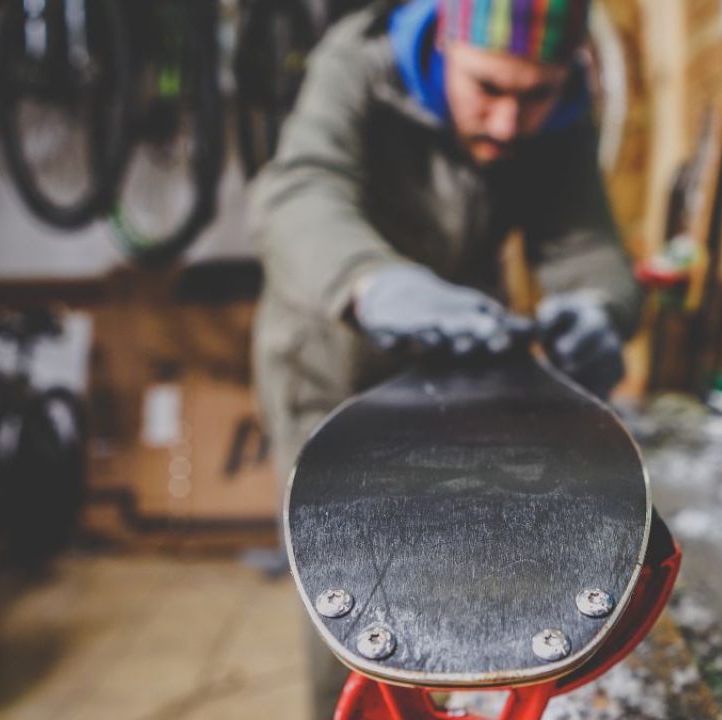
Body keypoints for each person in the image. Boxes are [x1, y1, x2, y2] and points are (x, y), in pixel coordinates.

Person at [248, 0, 641, 714]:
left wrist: (597, 310)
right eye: (487, 89)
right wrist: (370, 280)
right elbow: (297, 193)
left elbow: (586, 248)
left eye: (535, 96)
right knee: (351, 602)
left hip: (460, 362)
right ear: (445, 47)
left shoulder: (560, 115)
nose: (508, 123)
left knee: (473, 569)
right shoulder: (357, 65)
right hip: (332, 360)